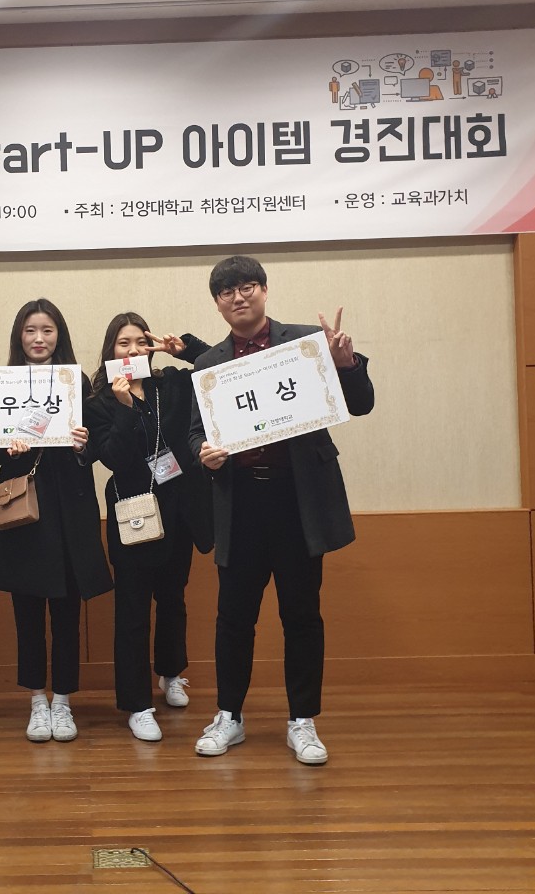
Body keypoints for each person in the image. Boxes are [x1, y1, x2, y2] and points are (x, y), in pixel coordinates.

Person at [188, 256, 374, 764]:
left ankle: (302, 720)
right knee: (233, 618)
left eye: (248, 286)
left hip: (298, 501)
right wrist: (204, 452)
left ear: (265, 291)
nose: (239, 297)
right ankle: (229, 716)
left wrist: (346, 365)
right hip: (241, 502)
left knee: (301, 614)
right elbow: (194, 433)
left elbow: (360, 403)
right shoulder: (208, 364)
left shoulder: (307, 343)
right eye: (227, 291)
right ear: (217, 303)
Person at [0, 298, 112, 743]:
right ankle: (37, 700)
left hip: (70, 510)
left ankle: (63, 701)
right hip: (23, 510)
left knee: (67, 611)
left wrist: (82, 444)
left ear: (60, 335)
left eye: (47, 330)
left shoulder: (77, 383)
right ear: (19, 336)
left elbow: (97, 448)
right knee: (28, 611)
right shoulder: (0, 383)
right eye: (30, 330)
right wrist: (7, 446)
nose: (39, 339)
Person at [86, 314, 213, 742]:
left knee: (173, 598)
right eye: (123, 343)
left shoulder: (171, 384)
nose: (133, 350)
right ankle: (137, 704)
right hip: (133, 513)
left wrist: (187, 348)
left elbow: (220, 371)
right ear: (111, 350)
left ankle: (171, 673)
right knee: (133, 609)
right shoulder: (99, 401)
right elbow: (113, 458)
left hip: (180, 510)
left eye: (141, 342)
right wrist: (124, 409)